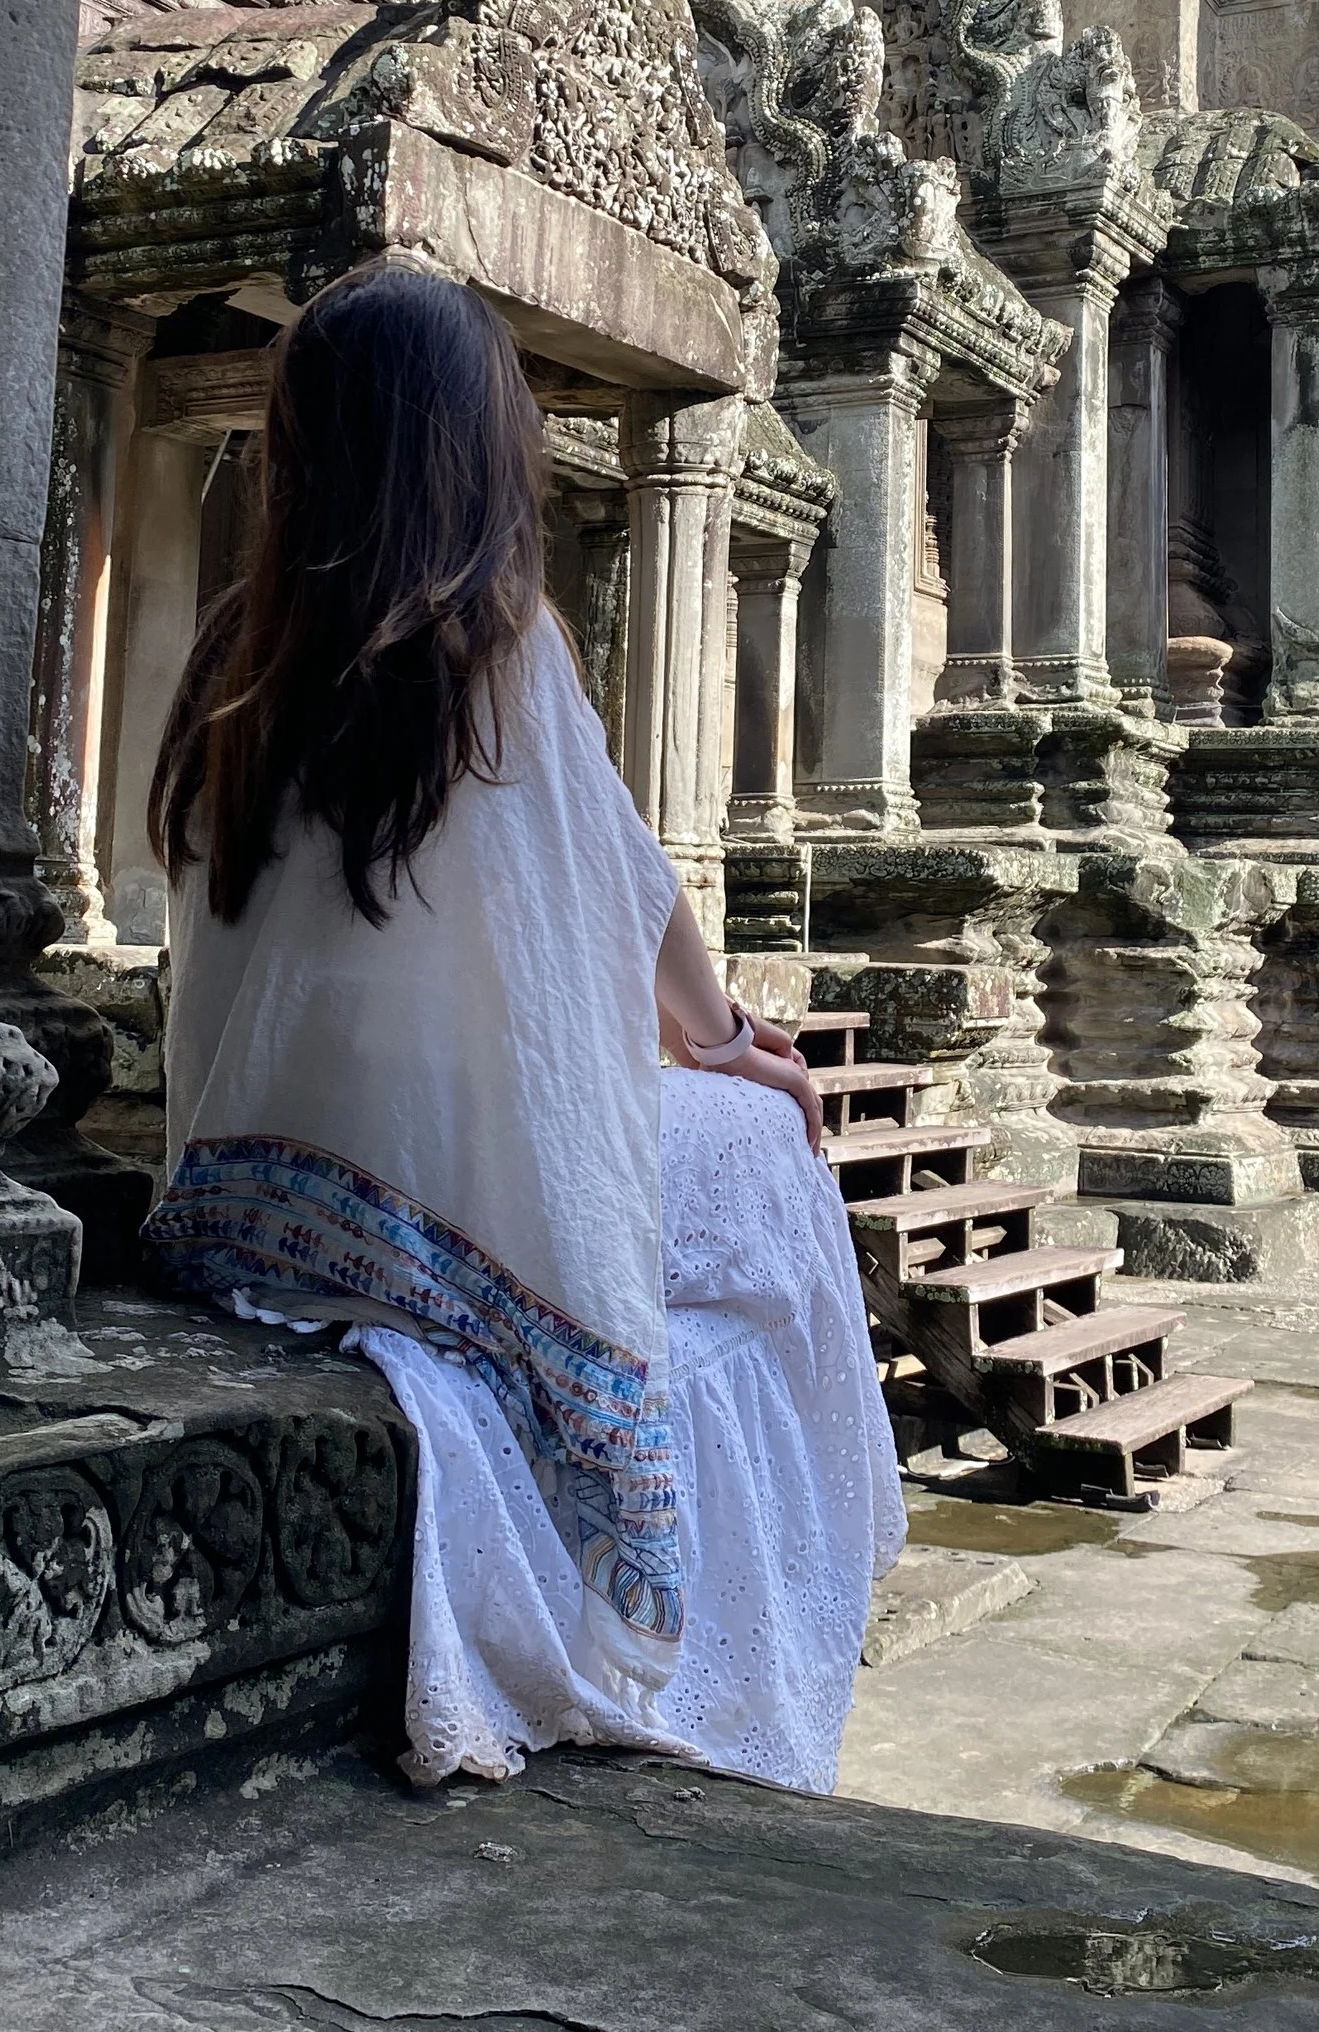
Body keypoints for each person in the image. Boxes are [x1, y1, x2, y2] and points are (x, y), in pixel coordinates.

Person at [140, 260, 904, 1795]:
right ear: (481, 456)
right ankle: (762, 1602)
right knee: (768, 1144)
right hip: (430, 1216)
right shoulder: (501, 648)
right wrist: (722, 1038)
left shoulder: (237, 649)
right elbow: (625, 891)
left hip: (237, 1209)